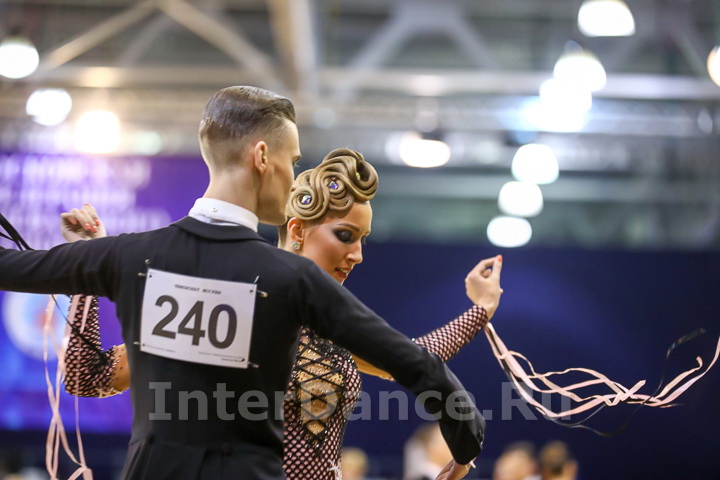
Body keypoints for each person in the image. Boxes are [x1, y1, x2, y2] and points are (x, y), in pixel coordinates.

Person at [0, 86, 502, 480]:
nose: (292, 175)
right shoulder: (292, 282)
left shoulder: (132, 256)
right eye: (293, 160)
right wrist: (465, 444)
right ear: (263, 156)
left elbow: (15, 271)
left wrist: (89, 270)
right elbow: (414, 363)